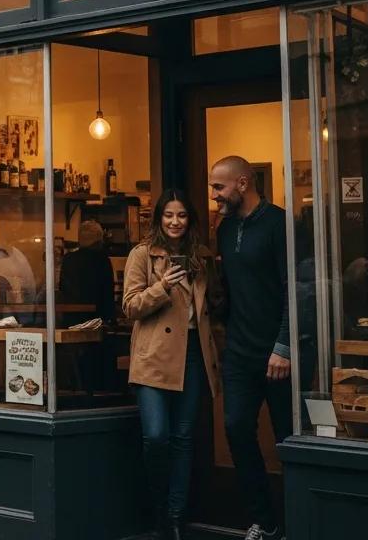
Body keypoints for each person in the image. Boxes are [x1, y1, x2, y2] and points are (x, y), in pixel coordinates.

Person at [123, 189, 222, 540]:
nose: (175, 222)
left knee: (183, 437)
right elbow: (130, 307)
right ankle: (157, 512)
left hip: (194, 353)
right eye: (168, 216)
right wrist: (162, 286)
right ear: (158, 219)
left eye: (181, 216)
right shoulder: (143, 255)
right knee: (156, 436)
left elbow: (215, 305)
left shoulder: (202, 256)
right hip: (154, 356)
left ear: (190, 220)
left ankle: (176, 518)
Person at [210, 156, 291, 540]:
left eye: (218, 187)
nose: (214, 196)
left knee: (288, 439)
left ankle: (299, 518)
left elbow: (298, 288)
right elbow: (228, 290)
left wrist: (285, 344)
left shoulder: (280, 223)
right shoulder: (224, 229)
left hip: (278, 354)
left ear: (243, 183)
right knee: (236, 429)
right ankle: (266, 520)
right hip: (240, 352)